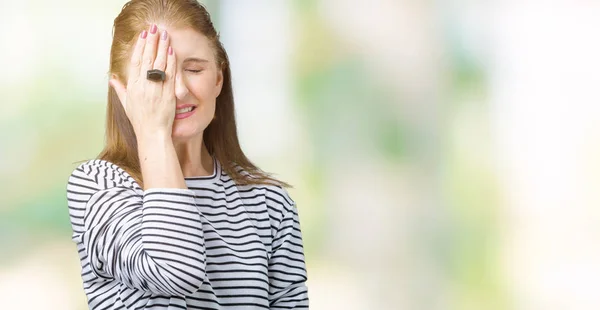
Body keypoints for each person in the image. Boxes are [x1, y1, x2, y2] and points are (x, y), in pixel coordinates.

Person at [66, 0, 309, 309]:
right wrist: (153, 134)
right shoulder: (98, 186)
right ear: (122, 89)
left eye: (194, 69)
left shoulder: (270, 203)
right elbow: (174, 272)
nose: (179, 90)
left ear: (219, 78)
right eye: (155, 75)